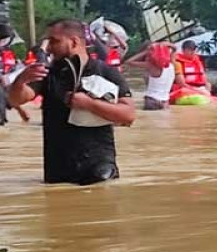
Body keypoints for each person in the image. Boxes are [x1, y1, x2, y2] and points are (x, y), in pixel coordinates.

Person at [8, 19, 136, 185]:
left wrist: (89, 104)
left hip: (98, 166)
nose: (49, 47)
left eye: (55, 41)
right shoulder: (49, 74)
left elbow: (128, 115)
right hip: (58, 169)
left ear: (74, 41)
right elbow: (14, 99)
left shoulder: (105, 72)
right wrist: (20, 80)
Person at [127, 42, 176, 110]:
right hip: (165, 102)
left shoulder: (151, 66)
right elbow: (175, 49)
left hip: (152, 101)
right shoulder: (172, 65)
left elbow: (129, 62)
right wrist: (166, 45)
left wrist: (146, 51)